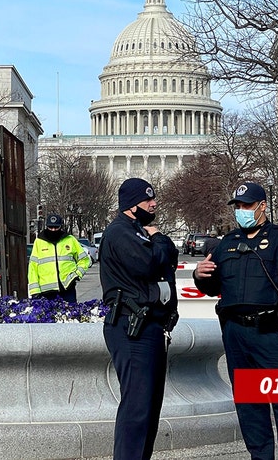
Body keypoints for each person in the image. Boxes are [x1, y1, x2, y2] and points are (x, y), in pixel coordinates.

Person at [193, 182, 278, 460]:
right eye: (238, 206)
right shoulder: (226, 243)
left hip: (272, 333)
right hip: (236, 334)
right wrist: (199, 274)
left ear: (262, 206)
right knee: (250, 405)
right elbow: (214, 287)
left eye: (247, 205)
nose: (241, 211)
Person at [100, 178, 179, 460]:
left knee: (149, 409)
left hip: (149, 327)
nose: (153, 204)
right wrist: (159, 240)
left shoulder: (137, 230)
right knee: (137, 409)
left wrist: (159, 245)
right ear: (132, 205)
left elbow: (169, 258)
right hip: (131, 327)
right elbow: (148, 262)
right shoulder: (121, 232)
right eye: (147, 200)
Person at [27, 213, 90, 302]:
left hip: (67, 289)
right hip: (46, 292)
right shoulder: (39, 242)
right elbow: (33, 268)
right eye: (51, 227)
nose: (53, 230)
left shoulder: (70, 240)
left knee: (71, 315)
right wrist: (34, 291)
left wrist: (76, 275)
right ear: (47, 227)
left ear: (61, 227)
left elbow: (84, 260)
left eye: (56, 227)